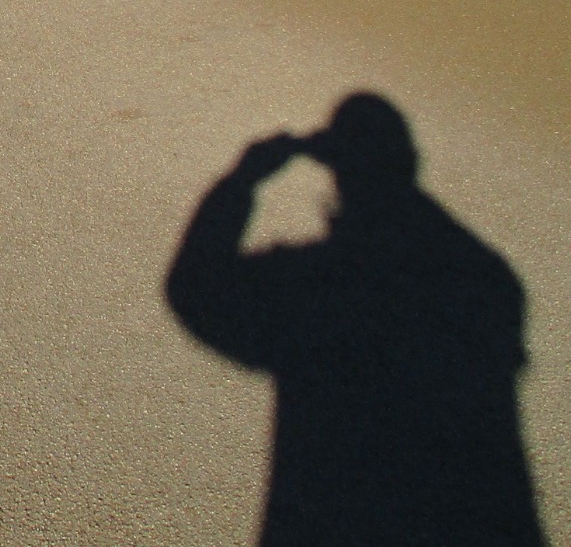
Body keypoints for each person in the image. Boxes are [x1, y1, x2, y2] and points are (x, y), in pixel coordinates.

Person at [166, 95, 543, 547]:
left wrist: (243, 180)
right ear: (411, 163)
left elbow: (194, 287)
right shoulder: (488, 284)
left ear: (338, 172)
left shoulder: (318, 288)